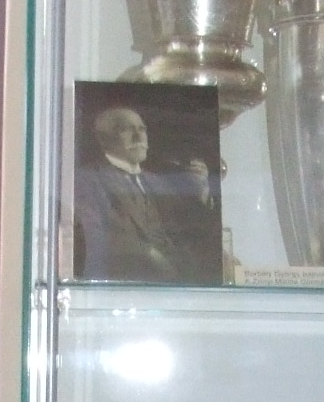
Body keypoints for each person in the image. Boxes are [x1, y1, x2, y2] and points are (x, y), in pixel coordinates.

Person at [74, 102, 220, 283]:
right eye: (126, 129)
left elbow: (191, 230)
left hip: (180, 281)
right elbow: (93, 239)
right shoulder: (88, 180)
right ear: (103, 138)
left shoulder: (156, 182)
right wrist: (150, 254)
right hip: (127, 282)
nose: (138, 137)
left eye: (142, 129)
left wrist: (202, 190)